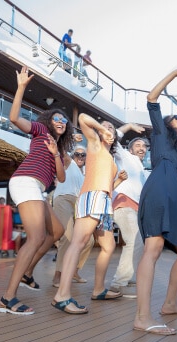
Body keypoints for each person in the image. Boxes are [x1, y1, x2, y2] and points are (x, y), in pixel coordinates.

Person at [0, 65, 73, 315]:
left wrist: (55, 154)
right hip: (25, 181)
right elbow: (13, 118)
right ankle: (8, 298)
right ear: (49, 122)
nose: (61, 121)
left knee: (58, 231)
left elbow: (60, 178)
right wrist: (20, 88)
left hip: (38, 189)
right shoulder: (40, 131)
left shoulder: (60, 150)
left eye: (64, 120)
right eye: (57, 118)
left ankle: (27, 272)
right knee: (36, 238)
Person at [134, 68, 177, 336]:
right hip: (159, 191)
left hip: (174, 197)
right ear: (169, 124)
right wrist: (173, 74)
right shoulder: (160, 134)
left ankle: (170, 303)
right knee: (154, 248)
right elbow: (151, 98)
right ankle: (142, 317)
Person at [52, 114, 126, 314]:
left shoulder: (110, 157)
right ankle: (62, 295)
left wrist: (118, 181)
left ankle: (99, 289)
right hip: (93, 196)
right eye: (103, 126)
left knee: (108, 245)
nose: (106, 128)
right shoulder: (95, 143)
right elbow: (83, 118)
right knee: (78, 243)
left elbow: (107, 184)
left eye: (110, 127)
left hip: (104, 201)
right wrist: (101, 130)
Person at [110, 127, 150, 298]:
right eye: (138, 145)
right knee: (134, 240)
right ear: (130, 148)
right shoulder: (125, 156)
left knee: (138, 242)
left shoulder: (142, 170)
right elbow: (113, 137)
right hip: (123, 203)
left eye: (144, 146)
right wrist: (129, 126)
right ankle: (118, 283)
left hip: (136, 208)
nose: (142, 148)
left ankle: (128, 276)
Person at [52, 145, 95, 288]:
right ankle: (58, 275)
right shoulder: (69, 163)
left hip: (79, 203)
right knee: (68, 236)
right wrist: (69, 140)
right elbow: (59, 148)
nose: (80, 157)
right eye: (77, 154)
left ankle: (74, 271)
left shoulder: (86, 174)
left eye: (83, 155)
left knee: (89, 240)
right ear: (72, 155)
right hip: (64, 198)